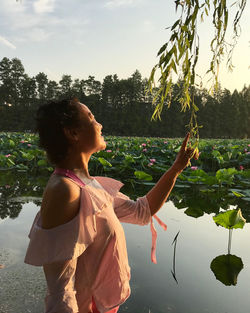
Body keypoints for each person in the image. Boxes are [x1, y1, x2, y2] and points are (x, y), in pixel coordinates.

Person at [24, 98, 195, 313]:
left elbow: (143, 212)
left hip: (103, 306)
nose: (99, 124)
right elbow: (60, 287)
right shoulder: (64, 190)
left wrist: (177, 168)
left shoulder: (88, 184)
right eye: (91, 118)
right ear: (73, 133)